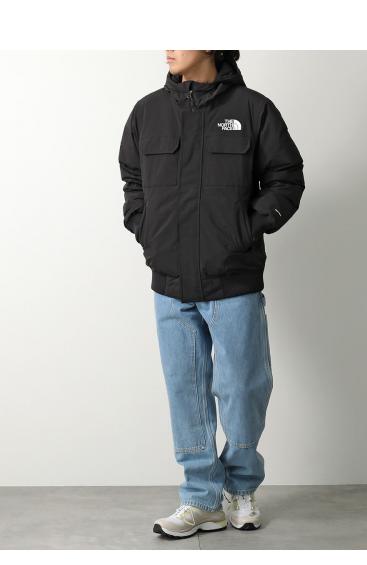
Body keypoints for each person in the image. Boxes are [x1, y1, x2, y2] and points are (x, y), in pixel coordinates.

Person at [118, 50, 305, 538]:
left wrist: (244, 230)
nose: (168, 45)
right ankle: (201, 499)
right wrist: (147, 232)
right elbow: (133, 181)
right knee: (186, 391)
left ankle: (240, 488)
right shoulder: (147, 112)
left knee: (243, 387)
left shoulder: (253, 109)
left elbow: (286, 178)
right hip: (170, 282)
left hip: (233, 279)